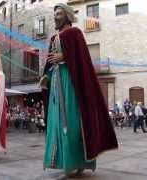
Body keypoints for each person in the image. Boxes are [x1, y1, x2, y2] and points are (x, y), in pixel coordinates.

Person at [39, 3, 118, 179]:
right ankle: (68, 164)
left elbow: (82, 59)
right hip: (56, 84)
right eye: (55, 14)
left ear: (67, 16)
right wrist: (47, 76)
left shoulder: (75, 34)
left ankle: (79, 163)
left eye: (59, 13)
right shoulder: (54, 38)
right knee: (58, 123)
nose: (56, 17)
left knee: (72, 124)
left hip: (71, 84)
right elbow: (51, 62)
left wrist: (65, 57)